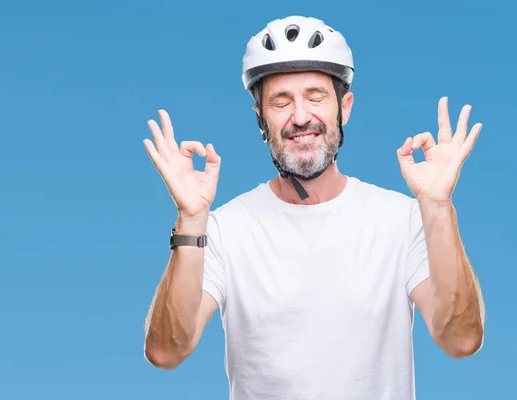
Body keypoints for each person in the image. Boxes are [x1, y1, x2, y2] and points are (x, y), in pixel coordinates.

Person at [141, 15, 486, 400]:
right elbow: (166, 351)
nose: (301, 116)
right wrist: (190, 219)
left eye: (316, 96)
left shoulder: (401, 221)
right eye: (281, 101)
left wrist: (438, 206)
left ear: (345, 107)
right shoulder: (223, 230)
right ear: (261, 118)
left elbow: (461, 339)